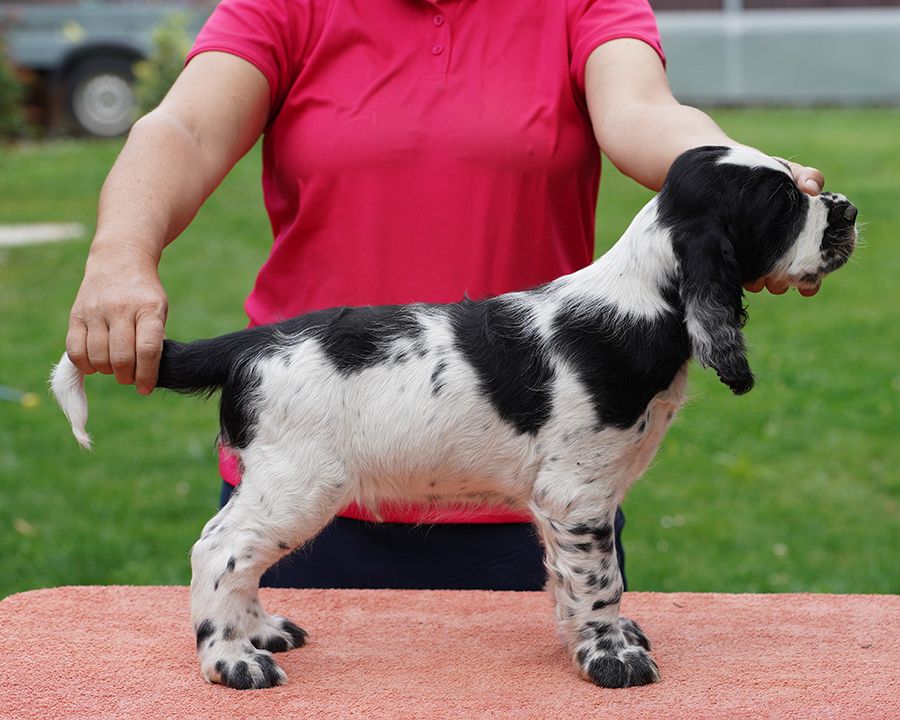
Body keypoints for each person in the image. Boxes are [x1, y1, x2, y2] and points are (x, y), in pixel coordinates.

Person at [64, 0, 826, 592]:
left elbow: (642, 114)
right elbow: (186, 130)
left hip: (530, 494)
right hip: (314, 473)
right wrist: (120, 251)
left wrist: (740, 185)